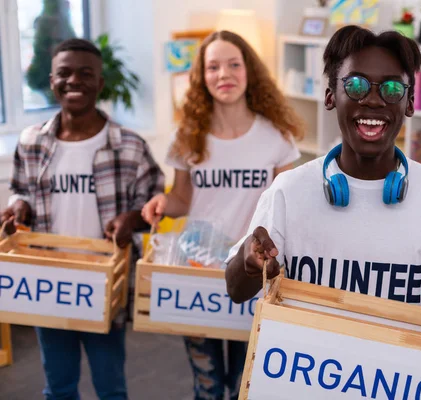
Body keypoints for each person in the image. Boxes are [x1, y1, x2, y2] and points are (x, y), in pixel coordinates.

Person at [224, 25, 421, 333]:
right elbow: (236, 290)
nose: (373, 101)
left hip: (396, 378)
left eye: (391, 90)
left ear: (410, 103)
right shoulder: (288, 191)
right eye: (357, 86)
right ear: (331, 95)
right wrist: (249, 260)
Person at [140, 30, 304, 399]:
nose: (223, 74)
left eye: (233, 64)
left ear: (249, 72)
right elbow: (182, 197)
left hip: (254, 275)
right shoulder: (187, 135)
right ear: (201, 76)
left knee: (248, 385)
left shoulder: (276, 136)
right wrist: (162, 203)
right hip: (199, 274)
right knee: (208, 385)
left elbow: (287, 207)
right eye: (213, 67)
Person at [0, 39, 165, 399]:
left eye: (85, 74)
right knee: (58, 387)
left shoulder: (130, 145)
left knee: (110, 388)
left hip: (104, 286)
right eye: (64, 73)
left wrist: (131, 217)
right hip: (48, 283)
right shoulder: (31, 142)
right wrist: (18, 207)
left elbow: (154, 204)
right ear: (51, 80)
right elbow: (19, 189)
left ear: (100, 83)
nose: (74, 80)